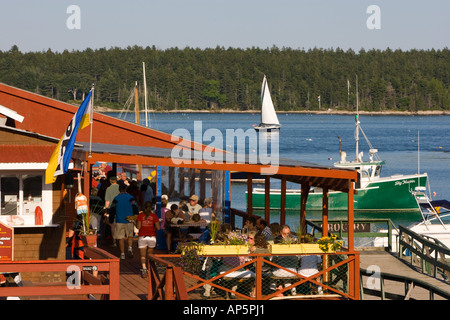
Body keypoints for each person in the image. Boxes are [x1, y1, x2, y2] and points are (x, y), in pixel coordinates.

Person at [135, 201, 160, 278]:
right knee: (150, 255)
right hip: (152, 237)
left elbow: (138, 227)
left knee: (143, 256)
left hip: (142, 237)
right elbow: (158, 228)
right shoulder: (154, 216)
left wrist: (134, 223)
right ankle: (150, 268)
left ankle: (144, 268)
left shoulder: (140, 216)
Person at [111, 185, 136, 259]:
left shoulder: (116, 198)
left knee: (120, 237)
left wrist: (111, 219)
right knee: (130, 235)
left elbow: (113, 209)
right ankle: (130, 248)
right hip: (130, 219)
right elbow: (135, 207)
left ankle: (122, 254)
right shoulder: (131, 197)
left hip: (119, 220)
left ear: (119, 190)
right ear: (125, 189)